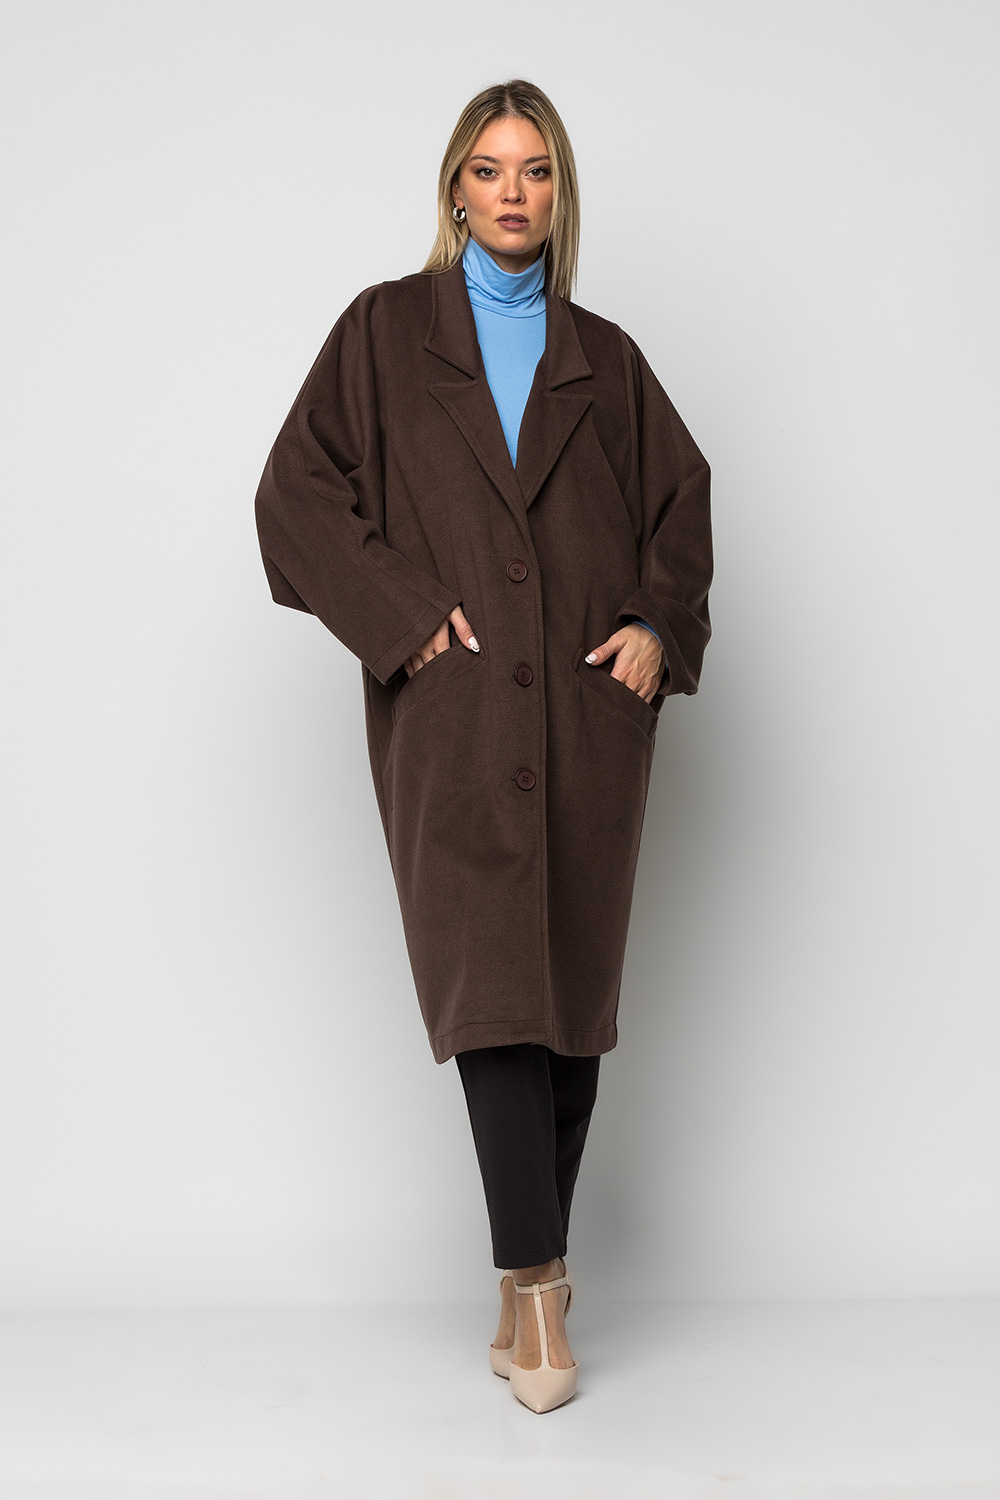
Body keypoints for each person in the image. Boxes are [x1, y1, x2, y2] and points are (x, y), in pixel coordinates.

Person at [254, 78, 713, 1414]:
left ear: (559, 195)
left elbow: (682, 508)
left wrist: (655, 627)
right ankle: (545, 1293)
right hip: (454, 718)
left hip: (584, 717)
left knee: (570, 1006)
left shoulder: (607, 360)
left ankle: (522, 1293)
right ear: (455, 189)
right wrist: (403, 621)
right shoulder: (383, 334)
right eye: (490, 168)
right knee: (495, 1000)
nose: (514, 191)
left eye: (538, 170)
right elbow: (294, 496)